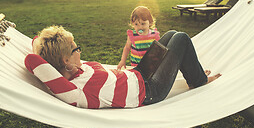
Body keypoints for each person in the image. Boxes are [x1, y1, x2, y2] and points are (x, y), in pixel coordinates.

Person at [30, 25, 221, 109]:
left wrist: (44, 46)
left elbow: (37, 45)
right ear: (65, 61)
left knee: (171, 34)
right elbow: (33, 61)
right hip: (150, 90)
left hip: (138, 74)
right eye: (75, 48)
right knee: (181, 38)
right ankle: (198, 81)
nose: (79, 51)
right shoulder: (76, 91)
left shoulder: (77, 67)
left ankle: (193, 73)